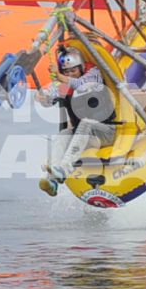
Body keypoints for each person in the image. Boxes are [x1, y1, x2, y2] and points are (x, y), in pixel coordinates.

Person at [36, 47, 117, 187]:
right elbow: (49, 96)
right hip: (86, 138)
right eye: (66, 72)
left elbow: (81, 85)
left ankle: (65, 169)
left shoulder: (93, 74)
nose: (71, 75)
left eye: (73, 71)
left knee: (86, 122)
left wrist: (61, 76)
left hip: (107, 132)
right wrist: (42, 98)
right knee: (64, 133)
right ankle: (53, 178)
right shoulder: (63, 85)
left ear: (81, 68)